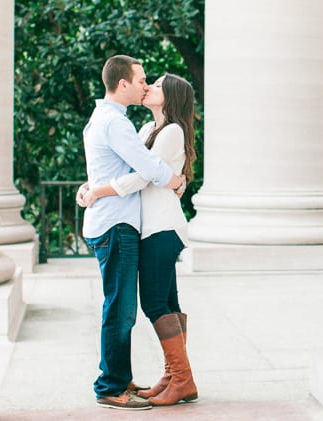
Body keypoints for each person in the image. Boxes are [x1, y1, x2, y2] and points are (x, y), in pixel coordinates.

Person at [81, 73, 198, 407]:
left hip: (161, 226)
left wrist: (99, 191)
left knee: (155, 303)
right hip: (150, 228)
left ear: (171, 96)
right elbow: (132, 169)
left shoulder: (172, 131)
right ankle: (175, 378)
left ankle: (182, 378)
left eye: (157, 85)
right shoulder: (147, 129)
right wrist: (92, 186)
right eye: (147, 82)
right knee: (168, 302)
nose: (149, 87)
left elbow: (145, 175)